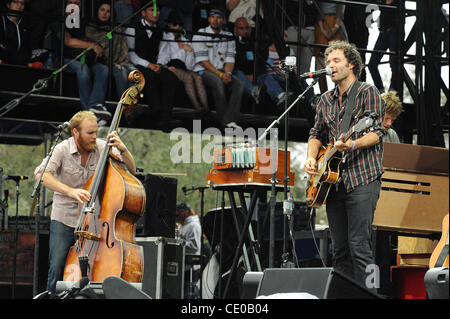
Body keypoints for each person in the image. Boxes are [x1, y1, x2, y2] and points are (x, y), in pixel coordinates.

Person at [304, 40, 385, 289]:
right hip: (332, 182)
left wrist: (351, 145)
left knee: (360, 245)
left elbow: (376, 133)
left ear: (351, 64)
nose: (330, 66)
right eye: (328, 62)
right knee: (339, 249)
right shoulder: (324, 100)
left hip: (362, 177)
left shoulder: (366, 92)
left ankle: (371, 293)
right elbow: (316, 134)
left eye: (336, 61)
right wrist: (311, 157)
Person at [34, 110, 137, 294]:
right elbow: (41, 176)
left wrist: (123, 149)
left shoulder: (102, 147)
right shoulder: (62, 149)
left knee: (94, 269)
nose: (94, 137)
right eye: (90, 133)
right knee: (57, 266)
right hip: (64, 218)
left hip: (94, 222)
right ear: (75, 132)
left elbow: (132, 169)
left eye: (96, 132)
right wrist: (70, 191)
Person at [125, 0, 179, 130]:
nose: (156, 13)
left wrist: (159, 65)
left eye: (158, 11)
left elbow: (163, 52)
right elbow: (130, 54)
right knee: (148, 76)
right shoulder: (132, 28)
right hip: (138, 64)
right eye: (151, 10)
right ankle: (156, 111)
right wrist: (148, 65)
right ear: (143, 12)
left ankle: (166, 115)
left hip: (156, 65)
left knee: (171, 77)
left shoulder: (161, 31)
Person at [192, 7, 244, 130]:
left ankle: (229, 120)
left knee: (239, 84)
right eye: (213, 17)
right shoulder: (200, 33)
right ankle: (224, 121)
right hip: (202, 70)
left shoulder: (229, 36)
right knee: (217, 82)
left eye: (219, 17)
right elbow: (203, 61)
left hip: (222, 70)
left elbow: (230, 58)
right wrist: (221, 75)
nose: (215, 20)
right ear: (209, 19)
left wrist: (228, 74)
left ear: (223, 20)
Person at [59, 0, 112, 121]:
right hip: (65, 58)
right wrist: (92, 45)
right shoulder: (59, 19)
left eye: (77, 3)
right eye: (70, 3)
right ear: (65, 5)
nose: (73, 6)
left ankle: (96, 105)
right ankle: (89, 115)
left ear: (81, 6)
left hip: (85, 58)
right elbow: (68, 42)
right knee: (83, 70)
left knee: (103, 69)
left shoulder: (83, 22)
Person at [157, 10, 209, 116]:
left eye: (180, 25)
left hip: (185, 67)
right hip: (172, 66)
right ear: (169, 25)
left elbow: (190, 65)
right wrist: (165, 67)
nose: (178, 27)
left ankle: (206, 108)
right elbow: (162, 57)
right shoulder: (166, 38)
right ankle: (197, 107)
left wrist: (189, 51)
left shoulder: (186, 40)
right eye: (175, 24)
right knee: (188, 78)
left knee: (198, 78)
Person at [233, 17, 289, 108]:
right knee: (237, 73)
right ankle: (255, 93)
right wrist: (247, 75)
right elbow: (232, 63)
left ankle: (280, 96)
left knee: (266, 76)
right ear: (235, 30)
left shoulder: (256, 42)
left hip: (256, 74)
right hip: (240, 74)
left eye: (247, 28)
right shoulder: (231, 42)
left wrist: (253, 74)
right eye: (241, 28)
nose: (245, 31)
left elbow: (262, 61)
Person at [86, 0, 137, 99]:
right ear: (97, 11)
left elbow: (123, 50)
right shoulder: (90, 27)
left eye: (108, 11)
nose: (105, 13)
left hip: (119, 62)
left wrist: (121, 63)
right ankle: (124, 107)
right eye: (102, 10)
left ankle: (130, 103)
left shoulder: (117, 29)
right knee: (121, 73)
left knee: (136, 75)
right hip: (99, 62)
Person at [314, 1, 347, 93]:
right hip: (321, 26)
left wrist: (335, 27)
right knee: (320, 61)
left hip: (336, 24)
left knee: (338, 59)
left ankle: (339, 92)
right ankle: (323, 93)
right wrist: (322, 29)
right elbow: (318, 10)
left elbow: (340, 11)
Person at [367, 0, 399, 93]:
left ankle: (392, 90)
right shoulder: (382, 1)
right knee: (372, 64)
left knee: (394, 63)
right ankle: (381, 91)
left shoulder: (399, 3)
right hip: (383, 32)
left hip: (394, 31)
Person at [176, 202, 201, 299]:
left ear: (184, 212)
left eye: (178, 213)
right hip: (184, 267)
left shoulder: (193, 225)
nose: (176, 216)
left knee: (189, 294)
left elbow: (194, 246)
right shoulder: (184, 225)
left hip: (191, 269)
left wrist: (178, 243)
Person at [0, 0, 33, 66]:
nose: (19, 6)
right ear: (8, 5)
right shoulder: (1, 21)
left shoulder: (26, 23)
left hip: (19, 63)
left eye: (22, 3)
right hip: (4, 62)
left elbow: (28, 48)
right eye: (16, 2)